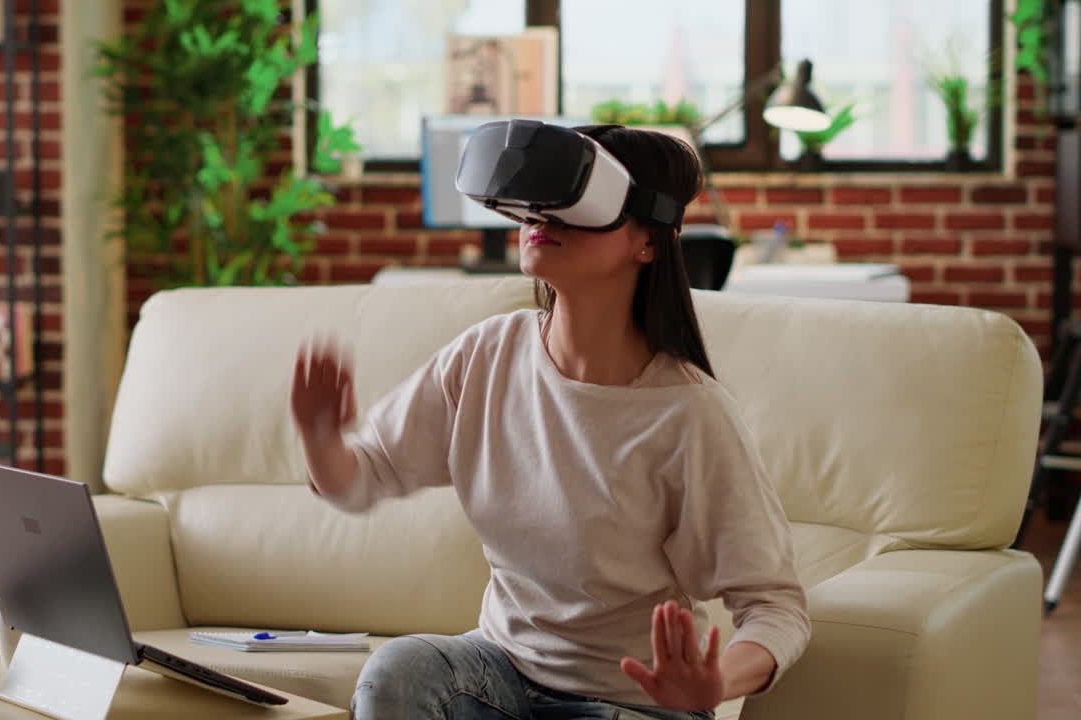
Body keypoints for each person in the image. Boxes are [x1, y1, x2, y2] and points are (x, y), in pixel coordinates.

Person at [290, 125, 810, 720]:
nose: (543, 215)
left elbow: (776, 608)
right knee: (399, 672)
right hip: (501, 676)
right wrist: (319, 436)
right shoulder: (488, 354)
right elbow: (362, 476)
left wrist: (714, 682)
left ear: (648, 241)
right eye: (540, 198)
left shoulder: (688, 415)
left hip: (630, 704)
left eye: (576, 201)